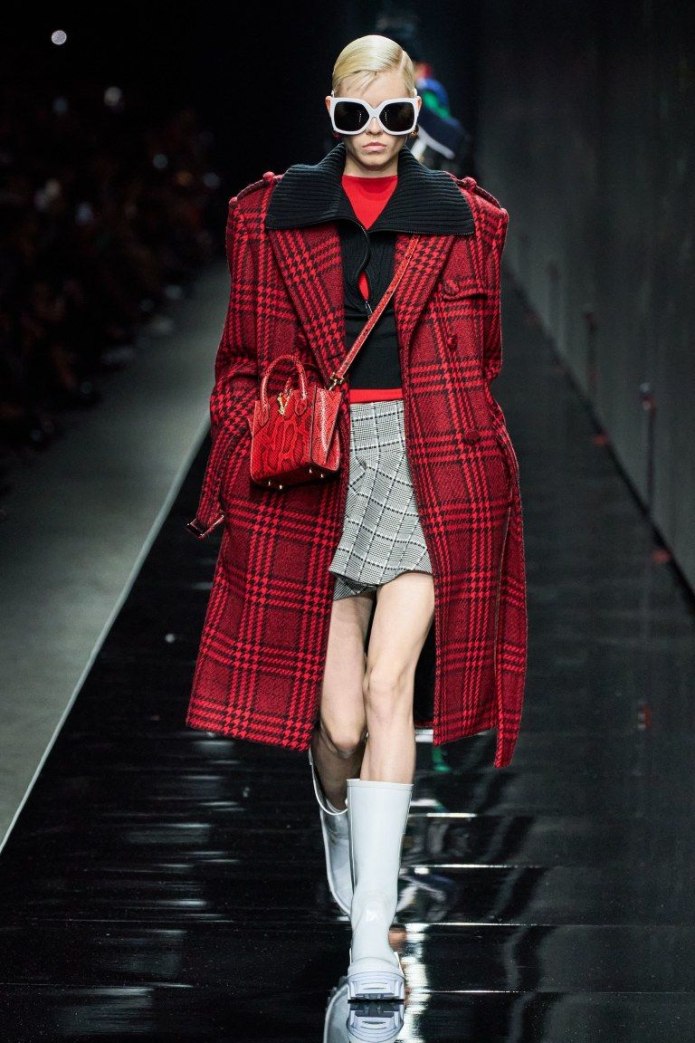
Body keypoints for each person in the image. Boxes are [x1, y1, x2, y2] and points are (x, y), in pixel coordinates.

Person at [185, 33, 527, 1021]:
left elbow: (482, 358)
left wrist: (465, 441)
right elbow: (238, 360)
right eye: (354, 113)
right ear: (329, 111)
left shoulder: (467, 221)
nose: (374, 131)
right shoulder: (268, 216)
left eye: (393, 113)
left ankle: (371, 932)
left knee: (387, 693)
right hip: (315, 469)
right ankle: (341, 819)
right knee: (335, 723)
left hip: (427, 465)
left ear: (415, 114)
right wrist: (250, 440)